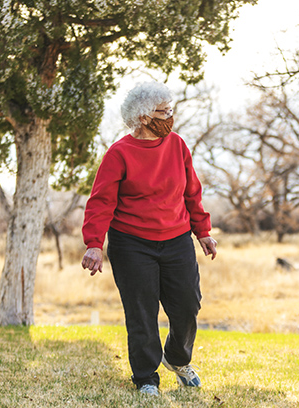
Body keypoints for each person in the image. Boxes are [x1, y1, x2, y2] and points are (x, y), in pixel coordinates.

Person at [81, 81, 217, 396]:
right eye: (163, 111)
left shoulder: (178, 145)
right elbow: (101, 202)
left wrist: (203, 232)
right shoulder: (119, 153)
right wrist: (94, 244)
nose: (170, 116)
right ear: (143, 117)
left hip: (177, 238)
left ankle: (178, 359)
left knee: (187, 304)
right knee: (141, 311)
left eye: (171, 110)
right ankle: (145, 377)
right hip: (132, 243)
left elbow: (191, 193)